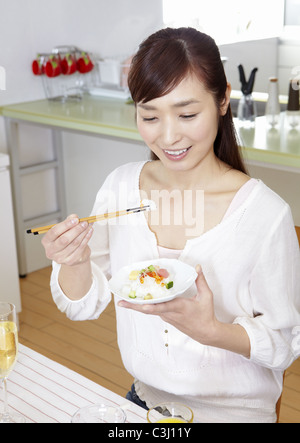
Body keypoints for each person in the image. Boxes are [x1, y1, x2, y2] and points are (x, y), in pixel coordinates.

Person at [42, 27, 300, 423]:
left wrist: (211, 330)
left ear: (223, 99)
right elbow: (83, 306)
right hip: (146, 403)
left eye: (187, 114)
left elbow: (284, 344)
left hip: (231, 414)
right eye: (149, 116)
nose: (167, 136)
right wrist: (74, 261)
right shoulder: (121, 187)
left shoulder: (266, 215)